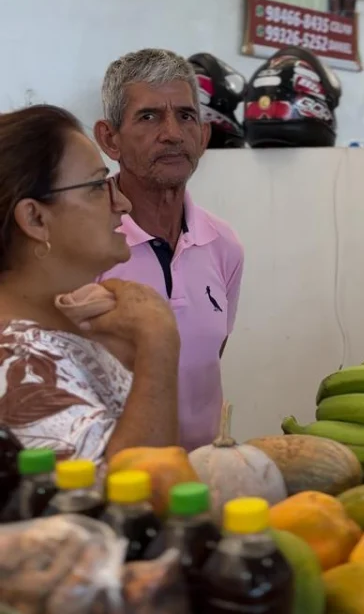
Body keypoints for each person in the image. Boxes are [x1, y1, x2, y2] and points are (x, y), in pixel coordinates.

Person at [0, 106, 180, 462]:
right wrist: (158, 342)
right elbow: (129, 489)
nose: (123, 203)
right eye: (97, 186)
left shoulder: (73, 323)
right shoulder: (14, 361)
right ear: (35, 218)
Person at [95, 49, 244, 452]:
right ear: (109, 139)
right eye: (148, 117)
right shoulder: (82, 242)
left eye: (185, 116)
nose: (173, 134)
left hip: (200, 475)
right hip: (111, 477)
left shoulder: (224, 244)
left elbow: (205, 360)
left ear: (204, 136)